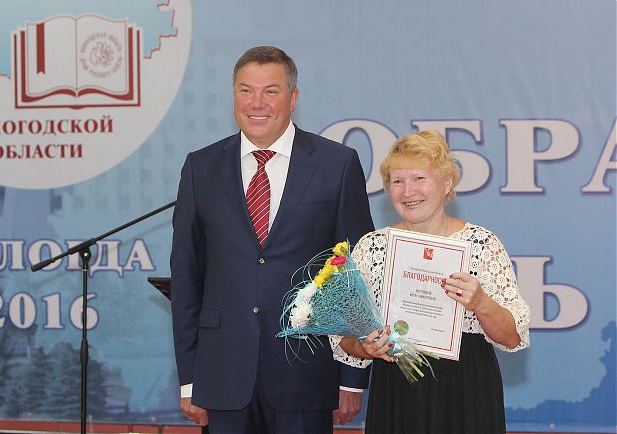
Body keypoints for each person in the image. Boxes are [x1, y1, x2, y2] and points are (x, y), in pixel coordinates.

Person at [169, 46, 374, 434]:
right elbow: (186, 278)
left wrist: (351, 377)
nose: (256, 103)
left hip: (307, 373)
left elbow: (354, 275)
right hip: (223, 374)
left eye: (270, 91)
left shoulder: (337, 164)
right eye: (246, 90)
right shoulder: (201, 167)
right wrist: (190, 378)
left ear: (293, 98)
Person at [335, 130, 530, 434]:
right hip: (396, 390)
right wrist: (366, 346)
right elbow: (345, 339)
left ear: (447, 183)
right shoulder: (372, 248)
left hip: (467, 390)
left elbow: (512, 338)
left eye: (419, 178)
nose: (408, 191)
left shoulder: (481, 245)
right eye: (397, 181)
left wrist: (480, 302)